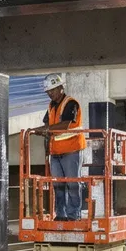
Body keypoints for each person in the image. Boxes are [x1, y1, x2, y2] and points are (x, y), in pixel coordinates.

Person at [39, 73, 86, 220]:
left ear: (60, 87)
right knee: (58, 186)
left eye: (52, 90)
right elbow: (47, 123)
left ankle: (73, 216)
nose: (50, 94)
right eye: (48, 91)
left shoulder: (71, 103)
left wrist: (46, 130)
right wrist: (41, 129)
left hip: (72, 150)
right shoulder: (51, 106)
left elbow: (66, 124)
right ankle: (61, 216)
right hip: (56, 152)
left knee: (72, 185)